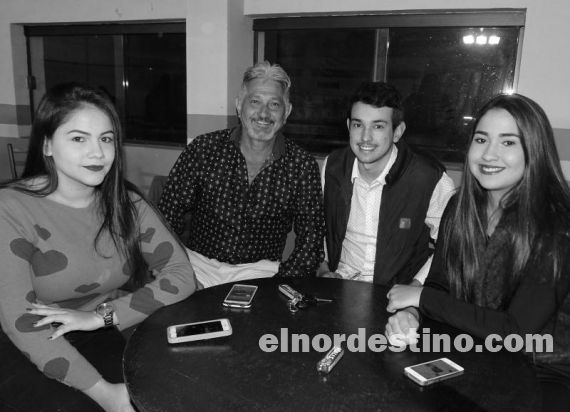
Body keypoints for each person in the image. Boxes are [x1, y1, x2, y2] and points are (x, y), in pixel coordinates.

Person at [0, 83, 197, 411]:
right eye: (79, 139)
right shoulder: (10, 208)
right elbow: (21, 321)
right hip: (18, 337)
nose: (98, 153)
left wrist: (100, 317)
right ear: (47, 144)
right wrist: (105, 393)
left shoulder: (126, 204)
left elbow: (181, 274)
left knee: (161, 390)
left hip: (91, 328)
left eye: (106, 139)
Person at [385, 93, 570, 410]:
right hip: (475, 352)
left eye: (508, 142)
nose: (489, 154)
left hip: (545, 369)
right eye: (481, 139)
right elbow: (440, 284)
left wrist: (421, 298)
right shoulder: (460, 209)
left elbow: (516, 332)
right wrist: (411, 315)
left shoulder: (557, 224)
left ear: (534, 151)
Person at [158, 61, 324, 287]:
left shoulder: (302, 166)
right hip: (198, 267)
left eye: (274, 104)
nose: (264, 113)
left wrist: (279, 284)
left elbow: (311, 244)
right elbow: (166, 218)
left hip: (262, 274)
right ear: (239, 105)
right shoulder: (203, 149)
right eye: (255, 101)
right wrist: (178, 270)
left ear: (286, 112)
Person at [318, 82, 455, 285]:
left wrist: (415, 287)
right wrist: (323, 269)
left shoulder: (429, 178)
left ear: (398, 132)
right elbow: (320, 227)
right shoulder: (333, 167)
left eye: (378, 126)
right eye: (358, 125)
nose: (365, 137)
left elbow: (451, 246)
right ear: (348, 126)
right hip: (340, 283)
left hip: (397, 290)